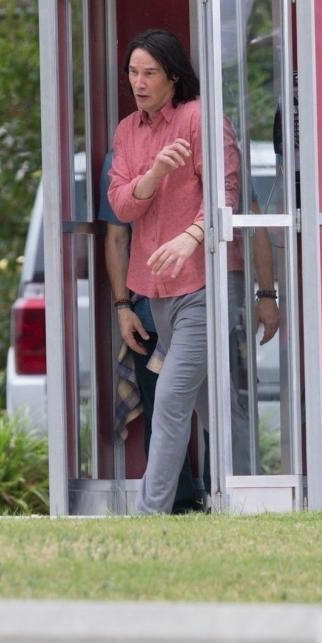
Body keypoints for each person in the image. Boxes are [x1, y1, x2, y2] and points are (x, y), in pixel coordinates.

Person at [107, 28, 276, 514]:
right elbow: (122, 205)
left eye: (149, 73)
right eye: (133, 73)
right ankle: (253, 498)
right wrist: (157, 172)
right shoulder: (127, 132)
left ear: (173, 77)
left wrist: (191, 237)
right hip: (155, 290)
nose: (138, 83)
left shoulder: (202, 119)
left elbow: (226, 195)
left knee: (171, 400)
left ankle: (149, 512)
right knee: (215, 403)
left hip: (207, 284)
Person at [99, 150, 202, 512]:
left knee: (213, 404)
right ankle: (179, 502)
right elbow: (115, 237)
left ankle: (228, 493)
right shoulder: (120, 158)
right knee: (162, 404)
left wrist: (264, 294)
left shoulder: (203, 149)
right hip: (147, 308)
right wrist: (123, 307)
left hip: (202, 301)